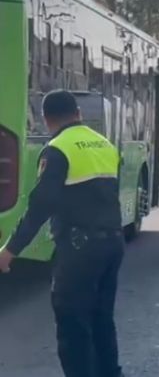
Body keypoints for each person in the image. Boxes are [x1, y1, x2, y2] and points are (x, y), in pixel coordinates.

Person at [0, 89, 125, 377]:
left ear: (46, 119)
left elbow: (40, 207)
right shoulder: (104, 143)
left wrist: (9, 251)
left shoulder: (58, 148)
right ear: (78, 113)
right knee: (102, 320)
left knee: (73, 326)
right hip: (113, 244)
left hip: (80, 249)